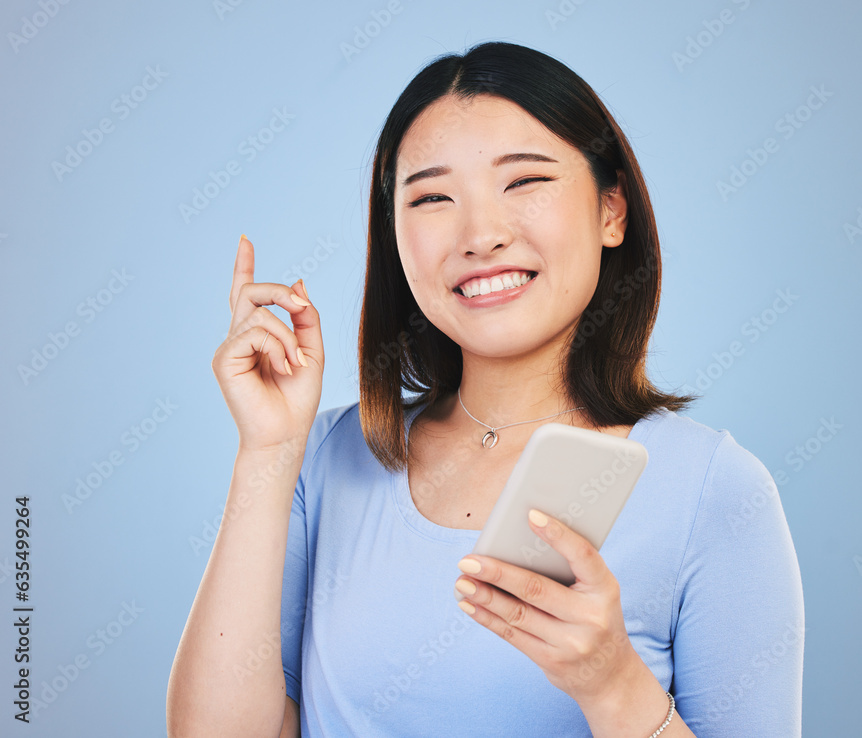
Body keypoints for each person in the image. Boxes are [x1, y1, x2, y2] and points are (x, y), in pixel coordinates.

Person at [166, 41, 804, 738]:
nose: (481, 235)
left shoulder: (715, 491)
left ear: (611, 210)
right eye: (434, 197)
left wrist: (615, 685)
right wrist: (267, 450)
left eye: (525, 182)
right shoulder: (324, 459)